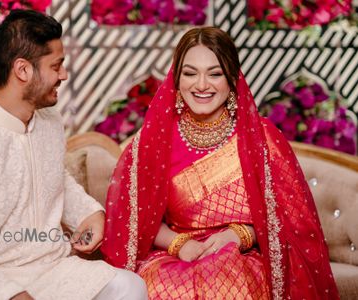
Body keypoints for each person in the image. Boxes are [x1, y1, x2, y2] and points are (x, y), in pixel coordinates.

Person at [0, 9, 147, 300]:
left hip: (48, 269)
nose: (63, 75)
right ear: (23, 70)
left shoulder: (48, 120)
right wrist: (10, 293)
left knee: (129, 286)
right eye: (56, 65)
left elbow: (55, 175)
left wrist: (89, 213)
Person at [101, 27, 339, 299]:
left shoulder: (262, 139)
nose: (201, 85)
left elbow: (292, 224)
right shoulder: (154, 141)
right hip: (174, 255)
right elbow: (138, 219)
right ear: (176, 79)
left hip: (242, 257)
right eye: (190, 73)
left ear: (232, 80)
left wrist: (241, 234)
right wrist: (180, 244)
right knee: (159, 283)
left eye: (214, 74)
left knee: (230, 279)